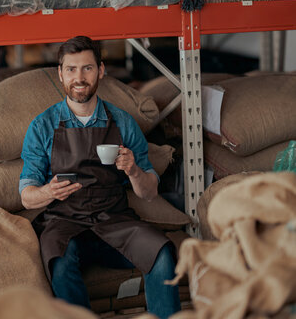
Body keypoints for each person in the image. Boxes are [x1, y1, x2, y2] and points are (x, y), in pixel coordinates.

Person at [19, 36, 181, 319]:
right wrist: (48, 192)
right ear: (60, 73)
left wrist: (133, 171)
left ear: (101, 71)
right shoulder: (42, 126)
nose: (79, 78)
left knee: (162, 254)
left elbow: (149, 193)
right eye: (71, 69)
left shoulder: (123, 122)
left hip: (114, 220)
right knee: (58, 262)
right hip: (64, 223)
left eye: (87, 68)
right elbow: (26, 195)